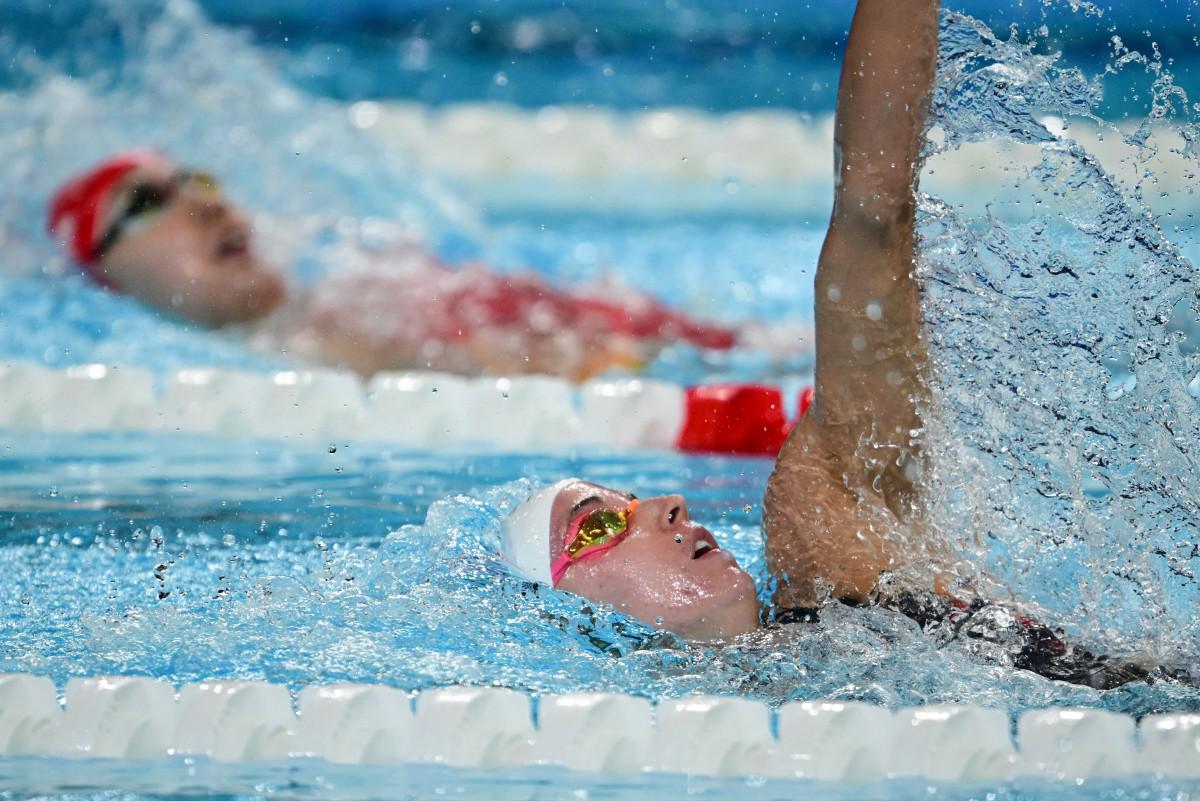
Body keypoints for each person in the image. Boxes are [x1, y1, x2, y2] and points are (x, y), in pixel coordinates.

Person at [500, 0, 1188, 690]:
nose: (668, 503)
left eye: (632, 500)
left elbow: (873, 211)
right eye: (597, 528)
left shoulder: (831, 548)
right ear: (575, 616)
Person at [47, 151, 740, 381]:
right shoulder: (300, 357)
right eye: (145, 202)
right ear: (103, 275)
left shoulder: (343, 286)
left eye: (197, 180)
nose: (203, 205)